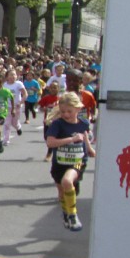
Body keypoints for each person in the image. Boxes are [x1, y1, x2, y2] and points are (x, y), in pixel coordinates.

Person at [45, 92, 96, 231]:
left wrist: (90, 149)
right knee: (62, 193)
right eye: (63, 112)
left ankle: (73, 215)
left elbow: (84, 136)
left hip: (78, 161)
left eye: (69, 111)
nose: (66, 115)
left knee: (67, 181)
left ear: (78, 109)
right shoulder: (57, 124)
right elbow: (50, 142)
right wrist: (71, 139)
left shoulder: (83, 123)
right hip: (59, 163)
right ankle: (66, 213)